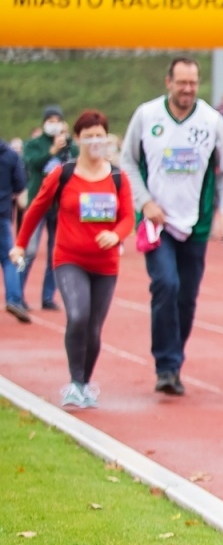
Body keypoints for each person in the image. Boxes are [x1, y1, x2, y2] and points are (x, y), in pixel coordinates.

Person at [121, 57, 223, 396]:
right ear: (168, 82)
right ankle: (167, 365)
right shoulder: (146, 116)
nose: (187, 89)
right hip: (158, 223)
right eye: (181, 83)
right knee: (166, 285)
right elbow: (127, 160)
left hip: (197, 224)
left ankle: (174, 360)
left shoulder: (212, 121)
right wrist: (144, 201)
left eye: (192, 83)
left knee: (187, 298)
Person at [10, 110, 135, 408]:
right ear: (77, 139)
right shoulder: (62, 175)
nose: (95, 141)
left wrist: (116, 235)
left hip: (105, 265)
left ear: (107, 138)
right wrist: (19, 245)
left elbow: (129, 217)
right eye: (88, 136)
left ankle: (86, 383)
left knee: (93, 327)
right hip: (70, 259)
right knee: (78, 315)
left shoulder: (118, 177)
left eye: (99, 135)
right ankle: (75, 382)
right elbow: (37, 209)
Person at [20, 105, 73, 314]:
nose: (54, 124)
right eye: (50, 120)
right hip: (38, 202)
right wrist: (51, 151)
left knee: (56, 252)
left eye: (57, 120)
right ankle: (18, 293)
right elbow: (32, 163)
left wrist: (67, 144)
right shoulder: (34, 144)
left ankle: (48, 296)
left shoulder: (68, 144)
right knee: (29, 250)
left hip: (60, 204)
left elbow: (76, 161)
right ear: (44, 123)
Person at [1, 135, 26, 322]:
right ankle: (14, 299)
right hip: (2, 214)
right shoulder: (10, 155)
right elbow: (20, 186)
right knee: (10, 259)